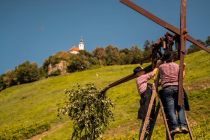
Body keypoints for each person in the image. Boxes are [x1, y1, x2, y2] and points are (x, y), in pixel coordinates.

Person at [158, 52, 188, 135]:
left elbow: (157, 70)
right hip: (178, 87)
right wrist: (184, 68)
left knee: (170, 109)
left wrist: (159, 62)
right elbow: (182, 77)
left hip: (167, 88)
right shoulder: (177, 66)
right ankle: (183, 126)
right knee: (181, 108)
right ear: (172, 58)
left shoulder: (161, 67)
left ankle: (175, 127)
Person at [134, 66, 158, 139]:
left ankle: (145, 135)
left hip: (147, 99)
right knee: (146, 120)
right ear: (138, 73)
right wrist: (157, 66)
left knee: (149, 119)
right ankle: (143, 136)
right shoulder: (140, 78)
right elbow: (152, 74)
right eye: (142, 71)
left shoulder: (143, 80)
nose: (143, 71)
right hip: (146, 99)